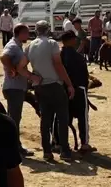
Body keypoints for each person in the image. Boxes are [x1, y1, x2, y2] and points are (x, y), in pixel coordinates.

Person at [27, 21, 75, 162]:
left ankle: (47, 151)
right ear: (48, 30)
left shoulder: (29, 46)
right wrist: (69, 84)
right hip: (54, 84)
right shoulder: (52, 43)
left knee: (45, 119)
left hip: (39, 86)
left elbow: (21, 66)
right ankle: (64, 150)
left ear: (36, 31)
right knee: (62, 118)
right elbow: (58, 65)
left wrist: (31, 76)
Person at [0, 24, 36, 157]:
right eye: (26, 33)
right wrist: (12, 69)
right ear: (19, 33)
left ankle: (12, 146)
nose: (28, 35)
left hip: (16, 87)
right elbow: (3, 57)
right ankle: (15, 147)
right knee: (14, 119)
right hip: (13, 88)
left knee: (14, 118)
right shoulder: (13, 45)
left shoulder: (18, 45)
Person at [58, 32, 93, 154]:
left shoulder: (58, 56)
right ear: (72, 40)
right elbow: (85, 76)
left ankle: (57, 142)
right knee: (83, 117)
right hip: (79, 89)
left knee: (60, 117)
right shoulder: (78, 57)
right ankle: (84, 143)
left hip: (62, 89)